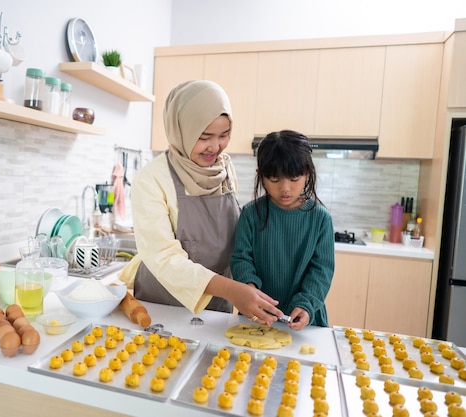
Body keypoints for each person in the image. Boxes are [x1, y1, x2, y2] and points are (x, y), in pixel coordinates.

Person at [118, 80, 284, 320]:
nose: (215, 147)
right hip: (163, 307)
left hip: (218, 305)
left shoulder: (225, 169)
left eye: (224, 135)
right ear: (181, 131)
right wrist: (231, 289)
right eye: (204, 137)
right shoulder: (151, 179)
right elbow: (164, 258)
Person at [230, 130, 335, 330]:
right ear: (261, 176)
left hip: (305, 320)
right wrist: (249, 291)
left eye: (294, 179)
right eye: (275, 180)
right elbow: (241, 259)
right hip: (257, 316)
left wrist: (307, 304)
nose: (285, 188)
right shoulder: (250, 214)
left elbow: (321, 271)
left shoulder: (321, 219)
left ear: (307, 174)